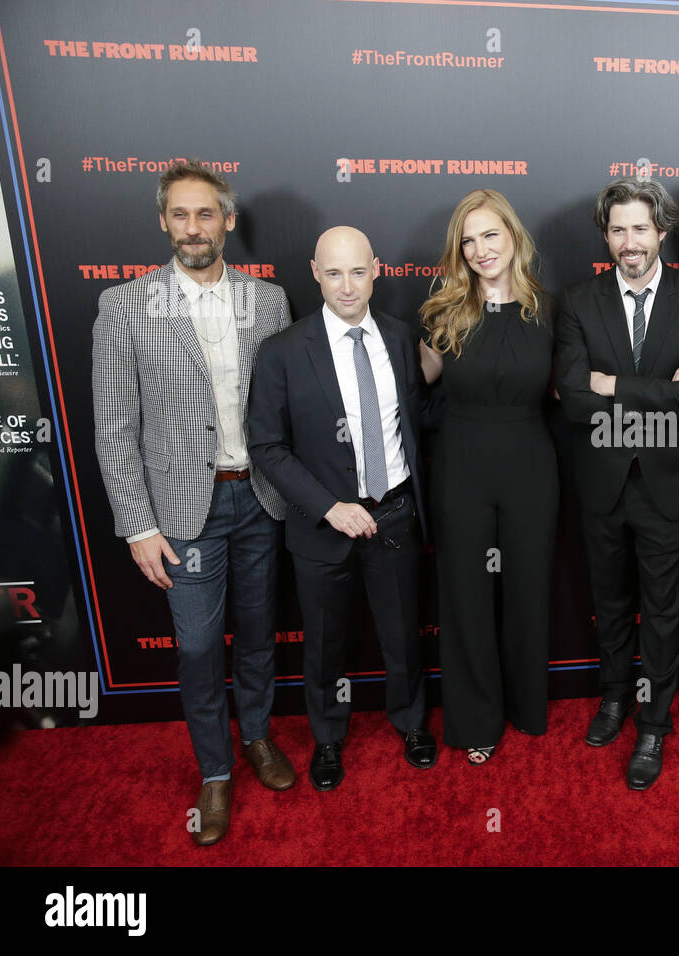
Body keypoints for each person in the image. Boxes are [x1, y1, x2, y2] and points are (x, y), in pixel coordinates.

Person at [92, 160, 294, 846]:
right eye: (179, 214)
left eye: (205, 214)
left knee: (260, 634)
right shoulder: (123, 305)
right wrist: (138, 527)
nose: (193, 228)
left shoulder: (268, 302)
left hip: (260, 500)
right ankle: (215, 771)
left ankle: (259, 738)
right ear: (162, 222)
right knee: (201, 646)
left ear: (228, 221)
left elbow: (285, 407)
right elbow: (114, 428)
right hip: (184, 513)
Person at [248, 226, 436, 791]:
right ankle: (328, 738)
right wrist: (330, 506)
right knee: (324, 641)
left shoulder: (404, 339)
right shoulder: (282, 351)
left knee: (403, 632)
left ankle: (410, 722)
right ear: (314, 272)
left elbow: (422, 413)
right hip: (322, 523)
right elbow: (267, 448)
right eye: (334, 273)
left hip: (395, 511)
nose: (347, 286)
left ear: (376, 268)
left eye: (357, 271)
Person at [554, 178, 679, 790]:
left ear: (662, 231)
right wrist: (660, 389)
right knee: (609, 605)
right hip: (601, 480)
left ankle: (654, 722)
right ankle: (613, 699)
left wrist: (613, 385)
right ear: (606, 234)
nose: (631, 241)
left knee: (661, 611)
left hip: (667, 484)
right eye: (619, 229)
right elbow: (574, 400)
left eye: (641, 228)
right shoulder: (578, 300)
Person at [418, 190, 557, 765]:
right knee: (467, 597)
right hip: (461, 468)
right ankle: (475, 719)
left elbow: (566, 390)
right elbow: (414, 387)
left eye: (489, 236)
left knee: (527, 592)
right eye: (467, 241)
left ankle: (526, 707)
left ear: (513, 237)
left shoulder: (549, 310)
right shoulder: (440, 313)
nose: (479, 250)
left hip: (530, 464)